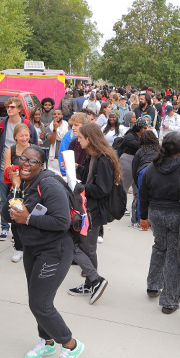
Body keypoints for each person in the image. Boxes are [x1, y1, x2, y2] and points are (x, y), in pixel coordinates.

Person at [2, 145, 85, 358]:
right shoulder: (25, 184)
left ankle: (70, 345)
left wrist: (28, 219)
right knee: (37, 299)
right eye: (23, 159)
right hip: (33, 248)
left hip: (54, 250)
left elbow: (61, 222)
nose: (25, 164)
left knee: (40, 303)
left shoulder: (48, 185)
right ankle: (47, 342)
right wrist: (15, 190)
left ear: (41, 165)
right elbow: (5, 213)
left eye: (32, 161)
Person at [139, 132, 180, 312]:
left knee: (159, 247)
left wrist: (143, 216)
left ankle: (153, 284)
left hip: (155, 214)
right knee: (175, 257)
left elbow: (143, 193)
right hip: (178, 216)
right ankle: (169, 300)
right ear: (179, 149)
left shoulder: (153, 167)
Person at [67, 124, 117, 304]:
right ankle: (90, 282)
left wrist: (80, 187)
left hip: (93, 210)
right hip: (88, 208)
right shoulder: (94, 156)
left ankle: (95, 280)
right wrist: (78, 168)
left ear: (90, 137)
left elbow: (102, 189)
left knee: (81, 246)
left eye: (80, 137)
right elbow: (90, 176)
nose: (78, 141)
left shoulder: (103, 159)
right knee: (87, 248)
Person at [0, 97, 39, 242]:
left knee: (21, 198)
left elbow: (35, 145)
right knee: (4, 199)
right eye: (8, 107)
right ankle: (4, 228)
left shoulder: (26, 125)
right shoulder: (1, 124)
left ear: (19, 109)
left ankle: (17, 230)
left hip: (24, 171)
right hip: (3, 168)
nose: (9, 109)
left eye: (12, 107)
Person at [4, 123, 33, 262]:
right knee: (15, 219)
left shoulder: (34, 149)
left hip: (31, 188)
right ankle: (18, 248)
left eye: (26, 135)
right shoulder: (11, 150)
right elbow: (6, 171)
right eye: (21, 135)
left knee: (30, 218)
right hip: (15, 188)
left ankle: (30, 247)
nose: (24, 138)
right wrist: (13, 173)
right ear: (15, 136)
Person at [131, 130, 160, 226]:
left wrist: (137, 183)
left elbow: (134, 167)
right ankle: (155, 221)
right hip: (157, 172)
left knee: (141, 197)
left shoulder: (140, 151)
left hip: (143, 172)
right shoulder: (159, 150)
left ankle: (141, 221)